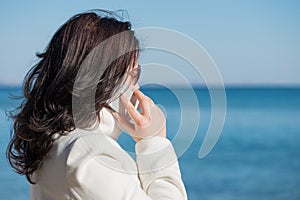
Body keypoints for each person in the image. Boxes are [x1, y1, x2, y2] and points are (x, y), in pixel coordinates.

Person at [7, 10, 188, 200]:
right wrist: (154, 141)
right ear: (103, 79)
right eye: (132, 75)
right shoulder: (92, 156)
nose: (137, 86)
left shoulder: (53, 141)